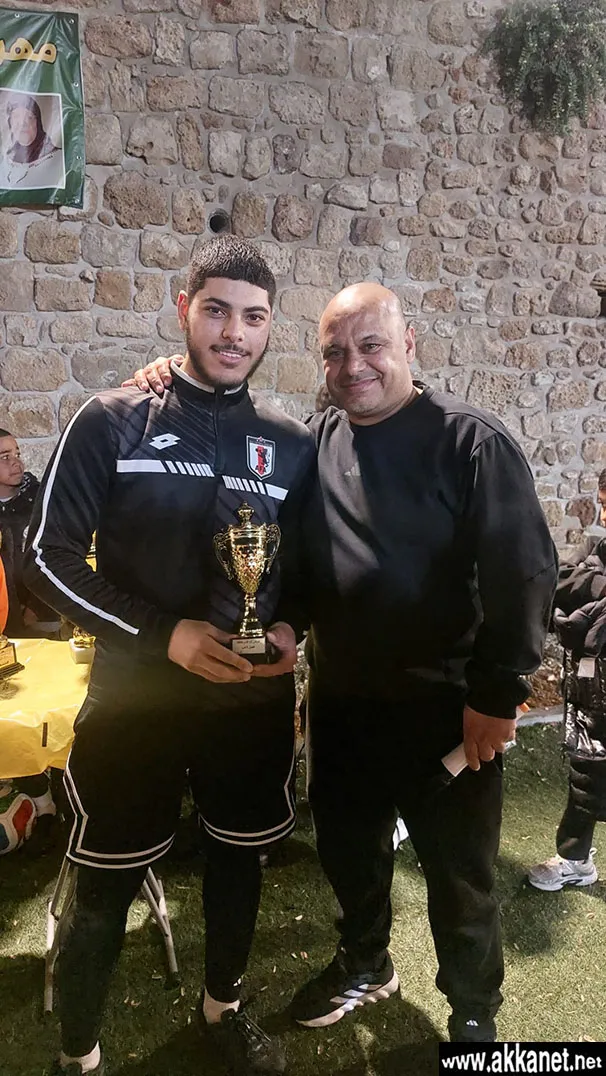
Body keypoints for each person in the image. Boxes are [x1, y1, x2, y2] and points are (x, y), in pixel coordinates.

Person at [132, 281, 557, 1044]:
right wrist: (287, 623)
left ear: (408, 344)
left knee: (459, 878)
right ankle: (366, 960)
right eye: (335, 352)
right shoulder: (319, 440)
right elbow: (299, 561)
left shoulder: (470, 443)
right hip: (344, 705)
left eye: (371, 346)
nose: (353, 365)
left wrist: (498, 697)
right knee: (349, 851)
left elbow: (524, 574)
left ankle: (472, 1016)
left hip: (447, 709)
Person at [23, 235, 316, 1076]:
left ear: (271, 327)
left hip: (247, 703)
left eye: (253, 317)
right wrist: (165, 635)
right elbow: (44, 557)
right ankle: (79, 1055)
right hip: (135, 701)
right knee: (106, 882)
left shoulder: (290, 442)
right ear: (184, 309)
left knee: (238, 864)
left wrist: (292, 627)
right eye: (217, 310)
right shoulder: (111, 418)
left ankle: (222, 1011)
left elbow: (309, 568)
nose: (234, 333)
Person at [528, 470, 606, 892]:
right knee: (586, 777)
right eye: (604, 504)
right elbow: (558, 584)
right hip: (590, 696)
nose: (605, 516)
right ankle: (576, 860)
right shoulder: (595, 550)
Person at [0, 428, 59, 637]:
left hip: (44, 618)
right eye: (5, 457)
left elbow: (58, 556)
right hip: (4, 623)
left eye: (17, 454)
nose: (16, 462)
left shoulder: (41, 501)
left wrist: (34, 609)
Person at [0, 92, 64, 191]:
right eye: (16, 117)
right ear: (10, 124)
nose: (22, 123)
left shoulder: (57, 157)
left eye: (29, 117)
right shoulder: (5, 160)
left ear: (38, 124)